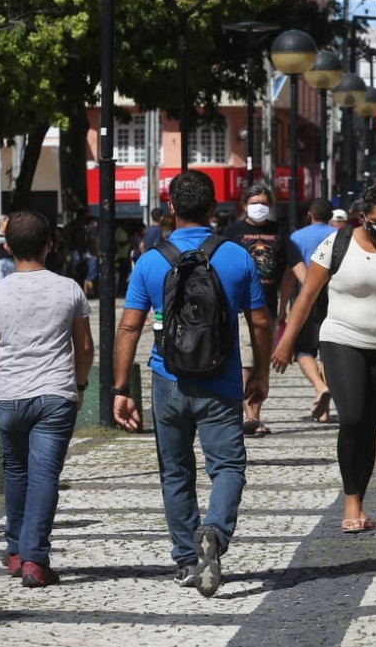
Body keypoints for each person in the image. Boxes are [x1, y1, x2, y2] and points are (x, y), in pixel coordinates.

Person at [111, 170, 269, 598]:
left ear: (171, 210)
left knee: (175, 471)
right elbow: (259, 321)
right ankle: (214, 533)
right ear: (215, 209)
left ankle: (186, 559)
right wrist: (260, 373)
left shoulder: (150, 260)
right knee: (229, 467)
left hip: (168, 379)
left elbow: (128, 329)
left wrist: (121, 389)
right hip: (221, 380)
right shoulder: (237, 257)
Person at [272, 186, 376, 533]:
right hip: (341, 339)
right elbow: (307, 295)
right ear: (363, 216)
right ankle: (350, 504)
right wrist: (286, 340)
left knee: (368, 427)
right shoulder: (336, 244)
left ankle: (360, 505)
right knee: (351, 418)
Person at [0, 211, 94, 589]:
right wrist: (81, 384)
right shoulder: (69, 289)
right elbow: (85, 346)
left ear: (8, 247)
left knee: (16, 472)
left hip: (9, 395)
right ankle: (35, 559)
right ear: (49, 245)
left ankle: (14, 552)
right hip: (56, 393)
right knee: (44, 476)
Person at [225, 185, 301, 436]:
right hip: (240, 307)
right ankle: (249, 414)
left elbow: (298, 267)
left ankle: (253, 414)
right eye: (255, 201)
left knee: (261, 365)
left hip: (267, 309)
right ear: (244, 204)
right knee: (247, 358)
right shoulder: (232, 233)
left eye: (265, 203)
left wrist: (314, 290)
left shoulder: (278, 232)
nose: (260, 207)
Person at [287, 198, 336, 422]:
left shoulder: (297, 237)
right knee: (327, 351)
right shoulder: (339, 237)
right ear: (331, 215)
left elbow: (289, 273)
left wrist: (283, 307)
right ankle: (324, 410)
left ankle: (319, 388)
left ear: (309, 214)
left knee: (303, 350)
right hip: (333, 296)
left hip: (305, 297)